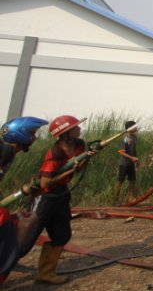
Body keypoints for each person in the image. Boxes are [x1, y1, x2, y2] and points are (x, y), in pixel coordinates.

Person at [25, 115, 93, 285]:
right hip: (45, 197)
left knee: (62, 235)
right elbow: (45, 182)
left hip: (61, 195)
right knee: (26, 238)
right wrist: (68, 172)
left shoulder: (78, 145)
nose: (79, 129)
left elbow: (78, 168)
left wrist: (86, 158)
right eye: (75, 127)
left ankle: (45, 273)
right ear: (65, 133)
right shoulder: (55, 152)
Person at [0, 116, 47, 285]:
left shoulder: (8, 153)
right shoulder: (4, 152)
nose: (34, 138)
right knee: (11, 222)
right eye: (32, 134)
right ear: (20, 135)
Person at [113, 121, 139, 205]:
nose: (136, 127)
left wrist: (136, 160)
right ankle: (116, 200)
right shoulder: (124, 138)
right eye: (135, 126)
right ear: (130, 128)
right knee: (120, 180)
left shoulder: (134, 138)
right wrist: (132, 158)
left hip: (131, 164)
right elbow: (121, 152)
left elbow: (134, 150)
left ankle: (131, 198)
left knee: (132, 181)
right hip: (124, 163)